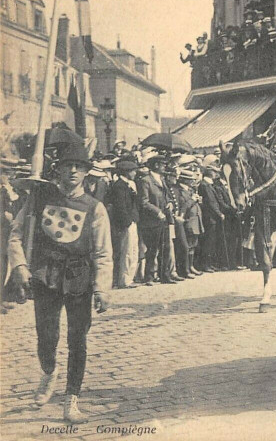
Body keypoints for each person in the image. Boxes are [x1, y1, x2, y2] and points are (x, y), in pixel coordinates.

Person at [6, 142, 112, 423]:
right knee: (47, 336)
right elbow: (16, 233)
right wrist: (19, 264)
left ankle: (71, 399)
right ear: (59, 169)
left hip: (79, 277)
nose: (74, 171)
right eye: (68, 166)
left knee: (78, 339)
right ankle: (49, 372)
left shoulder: (95, 208)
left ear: (87, 172)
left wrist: (102, 288)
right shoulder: (39, 198)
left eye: (79, 166)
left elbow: (103, 252)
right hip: (46, 275)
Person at [137, 152, 175, 285]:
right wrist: (157, 211)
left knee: (165, 248)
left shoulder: (161, 180)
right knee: (152, 249)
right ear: (156, 165)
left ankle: (164, 275)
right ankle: (149, 277)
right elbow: (144, 201)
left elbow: (167, 196)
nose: (164, 167)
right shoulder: (146, 181)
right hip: (152, 220)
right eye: (163, 165)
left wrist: (169, 202)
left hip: (163, 219)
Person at [108, 155, 140, 289]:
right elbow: (120, 207)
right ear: (127, 172)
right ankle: (124, 279)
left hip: (131, 221)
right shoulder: (119, 186)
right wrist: (127, 222)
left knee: (132, 250)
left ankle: (129, 277)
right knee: (127, 251)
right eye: (133, 171)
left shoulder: (127, 185)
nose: (135, 173)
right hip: (126, 223)